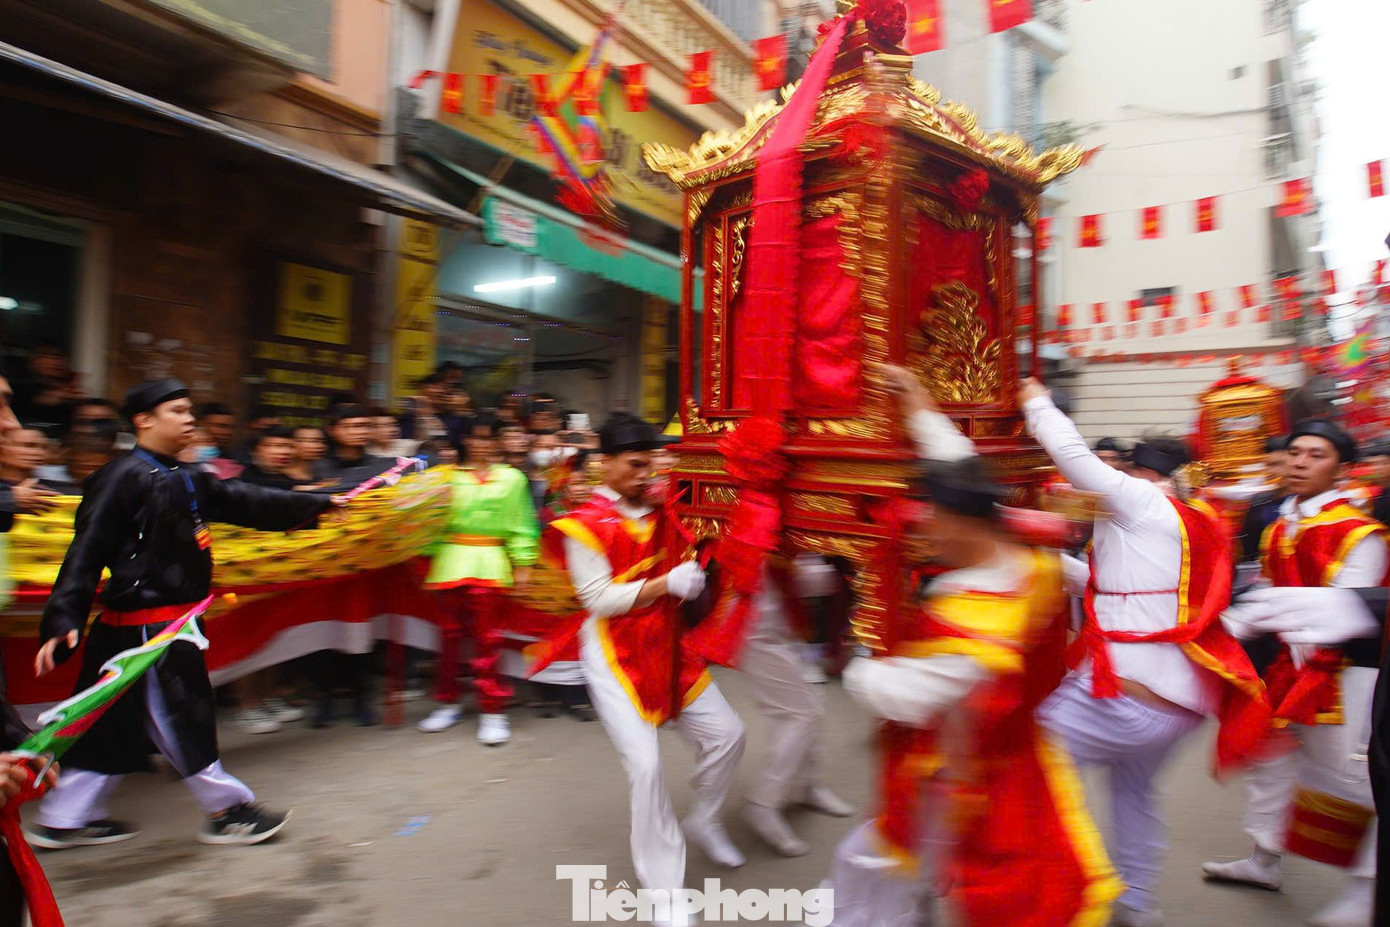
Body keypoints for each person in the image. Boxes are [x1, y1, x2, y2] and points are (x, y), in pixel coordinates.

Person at [822, 367, 1121, 927]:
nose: (926, 528)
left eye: (933, 518)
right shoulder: (1028, 554)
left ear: (960, 523)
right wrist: (919, 405)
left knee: (878, 867)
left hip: (965, 776)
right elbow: (963, 471)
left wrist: (860, 659)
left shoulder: (980, 622)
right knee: (906, 876)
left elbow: (906, 697)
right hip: (1006, 753)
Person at [26, 378, 336, 850]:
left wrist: (318, 505)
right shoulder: (120, 477)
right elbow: (85, 552)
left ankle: (63, 819)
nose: (190, 419)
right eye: (177, 411)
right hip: (147, 631)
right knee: (182, 719)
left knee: (110, 725)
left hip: (170, 625)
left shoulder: (188, 476)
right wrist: (63, 619)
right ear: (143, 420)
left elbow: (248, 500)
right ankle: (227, 811)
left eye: (190, 410)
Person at [1020, 377, 1267, 927]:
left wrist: (1036, 402)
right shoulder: (1195, 518)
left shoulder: (1144, 501)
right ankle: (1135, 906)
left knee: (1024, 769)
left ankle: (1061, 899)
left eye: (1127, 469)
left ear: (1147, 475)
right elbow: (1120, 591)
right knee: (1133, 794)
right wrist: (1040, 561)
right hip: (1179, 704)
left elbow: (1072, 456)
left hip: (1127, 696)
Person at [546, 413, 745, 926]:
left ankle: (704, 818)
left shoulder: (663, 504)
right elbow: (598, 599)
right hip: (614, 656)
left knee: (728, 735)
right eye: (635, 465)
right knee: (646, 768)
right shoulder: (584, 525)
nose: (645, 474)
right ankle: (665, 894)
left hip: (668, 645)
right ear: (605, 463)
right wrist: (665, 585)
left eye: (650, 464)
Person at [1208, 420, 1386, 927]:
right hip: (1290, 666)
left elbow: (1345, 611)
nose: (1300, 462)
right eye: (1295, 452)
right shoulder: (1281, 524)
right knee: (1272, 763)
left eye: (1316, 455)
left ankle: (1367, 891)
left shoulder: (1360, 533)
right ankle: (1264, 859)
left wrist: (1247, 622)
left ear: (1343, 469)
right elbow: (1270, 587)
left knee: (1359, 782)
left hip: (1344, 676)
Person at [417, 415, 538, 745]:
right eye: (476, 437)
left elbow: (522, 524)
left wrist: (523, 563)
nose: (482, 444)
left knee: (489, 639)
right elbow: (429, 524)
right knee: (448, 638)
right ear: (464, 440)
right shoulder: (444, 477)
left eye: (488, 437)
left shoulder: (512, 478)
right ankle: (448, 702)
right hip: (449, 562)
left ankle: (493, 709)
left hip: (491, 562)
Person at [314, 405, 392, 486]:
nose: (362, 431)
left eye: (368, 426)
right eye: (355, 426)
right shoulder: (317, 466)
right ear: (331, 430)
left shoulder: (379, 465)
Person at [239, 426, 299, 490]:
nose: (286, 452)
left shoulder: (296, 478)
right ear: (255, 450)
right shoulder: (241, 479)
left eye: (292, 447)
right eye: (278, 446)